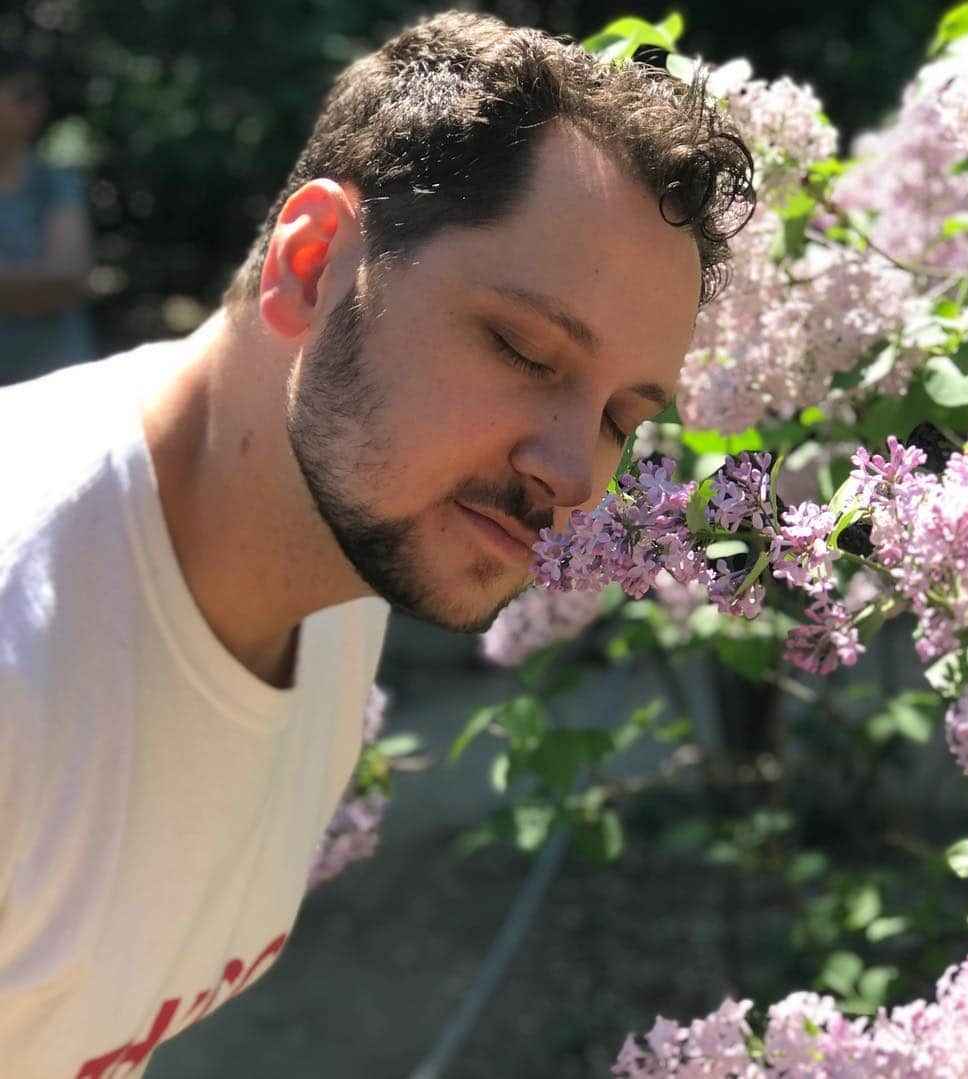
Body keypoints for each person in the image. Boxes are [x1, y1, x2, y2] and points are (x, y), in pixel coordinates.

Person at [0, 11, 753, 1077]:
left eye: (623, 419)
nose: (576, 472)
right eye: (522, 348)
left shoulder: (351, 559)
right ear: (311, 264)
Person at [0, 47, 94, 386]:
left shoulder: (55, 182)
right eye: (23, 95)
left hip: (52, 390)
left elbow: (68, 277)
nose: (38, 107)